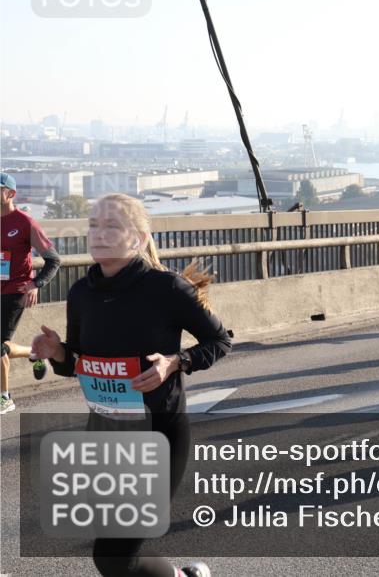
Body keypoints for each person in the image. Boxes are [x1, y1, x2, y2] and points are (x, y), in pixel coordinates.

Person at [30, 193, 231, 577]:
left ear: (138, 239)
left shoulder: (167, 288)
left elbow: (219, 341)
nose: (99, 233)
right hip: (105, 436)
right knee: (115, 557)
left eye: (112, 226)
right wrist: (57, 351)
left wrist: (176, 362)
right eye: (94, 225)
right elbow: (78, 363)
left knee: (113, 556)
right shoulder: (81, 293)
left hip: (158, 435)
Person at [1, 172, 62, 414]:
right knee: (3, 346)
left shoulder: (24, 222)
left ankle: (5, 398)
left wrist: (36, 284)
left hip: (15, 290)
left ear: (10, 193)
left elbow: (53, 260)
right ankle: (34, 353)